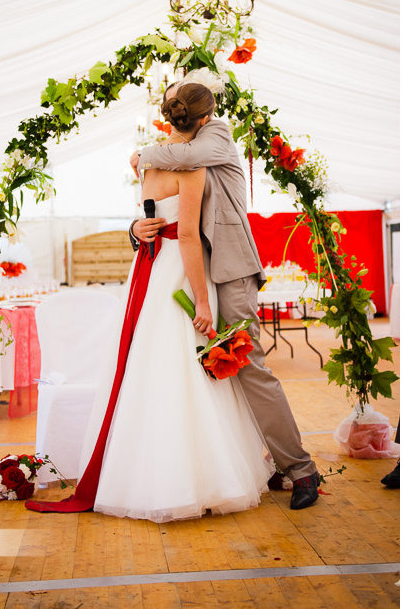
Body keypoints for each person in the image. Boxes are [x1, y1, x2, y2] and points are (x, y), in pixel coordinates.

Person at [26, 83, 275, 522]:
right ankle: (197, 477)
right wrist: (202, 300)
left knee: (147, 363)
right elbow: (185, 234)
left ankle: (139, 473)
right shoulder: (191, 167)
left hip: (150, 270)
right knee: (187, 364)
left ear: (169, 118)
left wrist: (140, 225)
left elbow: (151, 215)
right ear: (203, 119)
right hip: (180, 266)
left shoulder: (148, 163)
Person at [129, 81, 321, 510]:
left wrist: (143, 154)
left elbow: (189, 156)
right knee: (208, 368)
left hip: (230, 269)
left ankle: (302, 469)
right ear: (204, 111)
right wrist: (134, 230)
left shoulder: (216, 135)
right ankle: (255, 461)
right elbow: (154, 213)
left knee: (247, 365)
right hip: (188, 272)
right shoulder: (178, 150)